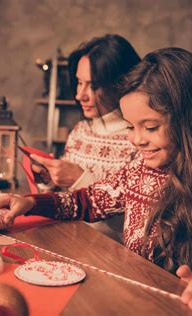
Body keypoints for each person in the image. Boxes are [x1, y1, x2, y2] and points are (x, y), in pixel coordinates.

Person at [0, 48, 192, 314]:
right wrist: (31, 202)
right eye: (131, 127)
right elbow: (86, 201)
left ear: (191, 121)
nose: (137, 140)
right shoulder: (138, 171)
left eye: (150, 126)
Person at [31, 34, 141, 242]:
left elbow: (136, 223)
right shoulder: (79, 132)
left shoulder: (140, 139)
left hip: (112, 254)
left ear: (120, 83)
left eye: (92, 85)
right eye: (79, 83)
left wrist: (80, 179)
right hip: (70, 242)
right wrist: (48, 180)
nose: (80, 95)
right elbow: (64, 200)